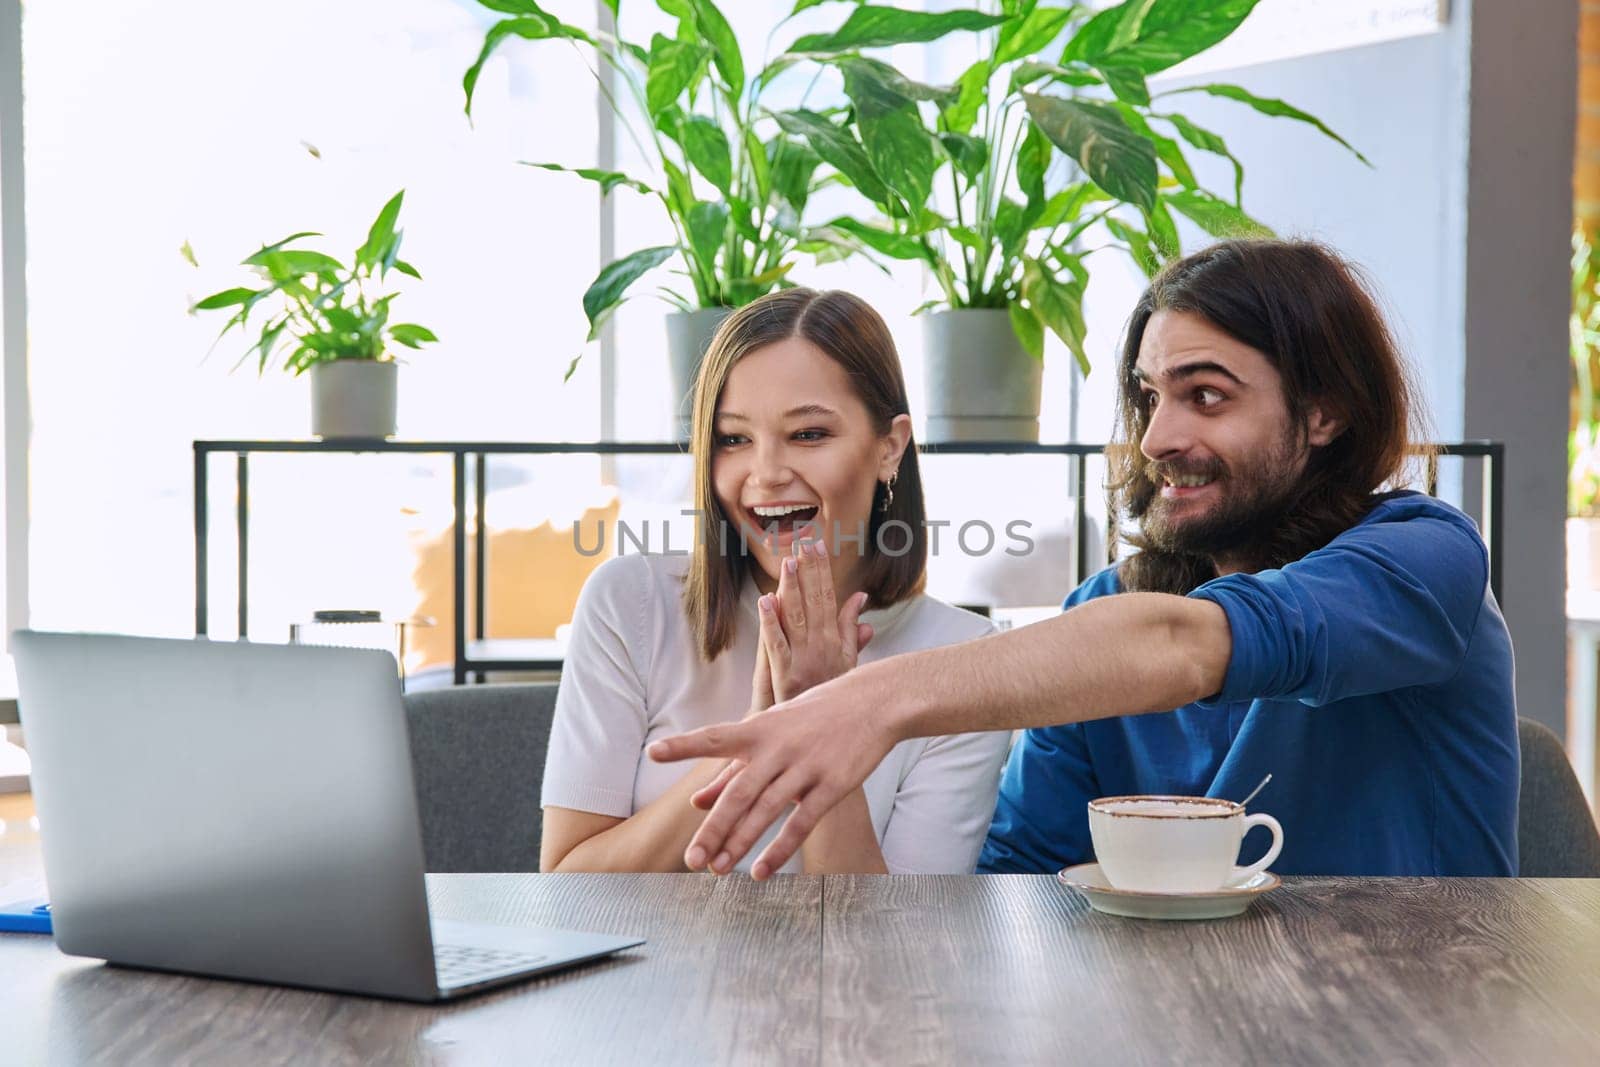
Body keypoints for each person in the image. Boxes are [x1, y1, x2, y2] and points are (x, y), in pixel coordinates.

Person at [649, 239, 1519, 881]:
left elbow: (1196, 643)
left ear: (1325, 411)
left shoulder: (1426, 559)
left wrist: (868, 702)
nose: (1159, 437)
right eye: (1148, 397)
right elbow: (1005, 901)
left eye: (1205, 396)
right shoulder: (1100, 612)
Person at [539, 288, 1011, 875]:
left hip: (850, 971)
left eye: (808, 434)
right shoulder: (629, 604)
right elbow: (565, 883)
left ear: (889, 448)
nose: (765, 474)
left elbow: (896, 941)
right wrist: (757, 740)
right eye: (734, 439)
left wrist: (822, 720)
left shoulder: (963, 660)